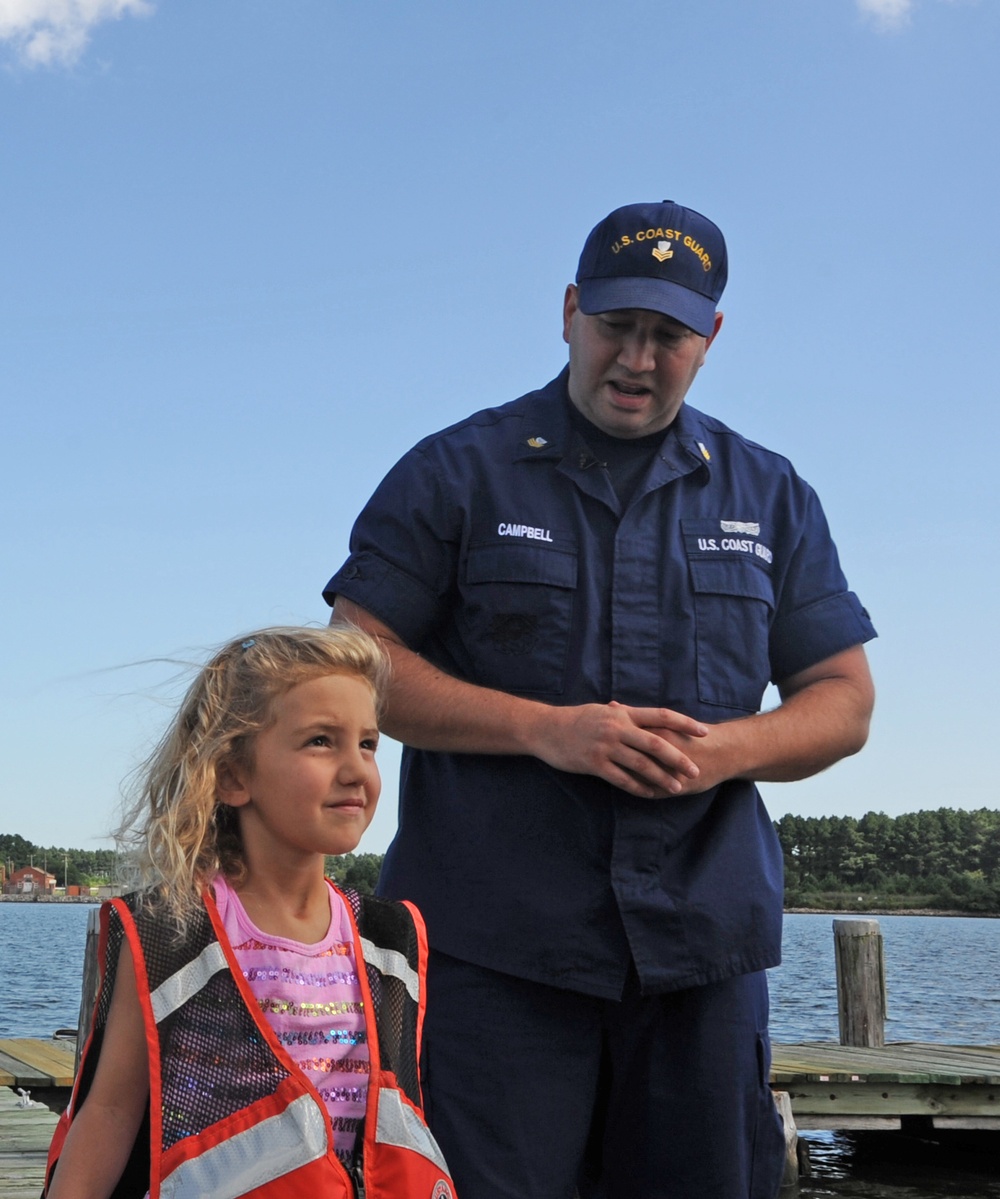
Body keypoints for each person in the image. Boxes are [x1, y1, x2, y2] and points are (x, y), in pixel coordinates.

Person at [324, 200, 877, 1199]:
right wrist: (545, 730)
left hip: (701, 954)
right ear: (570, 311)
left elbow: (843, 697)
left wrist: (726, 749)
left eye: (667, 334)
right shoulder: (457, 470)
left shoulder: (770, 491)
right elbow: (351, 664)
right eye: (616, 325)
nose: (636, 356)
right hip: (493, 950)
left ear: (709, 339)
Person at [44, 626, 457, 1199]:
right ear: (234, 776)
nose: (356, 769)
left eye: (367, 744)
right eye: (321, 741)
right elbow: (111, 1111)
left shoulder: (388, 940)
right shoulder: (174, 931)